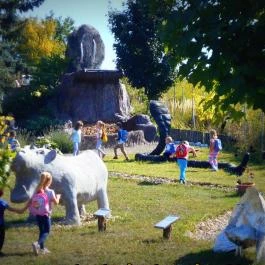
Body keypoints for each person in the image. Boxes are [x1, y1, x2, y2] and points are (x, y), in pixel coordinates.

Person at [23, 172, 61, 256]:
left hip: (38, 214)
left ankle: (42, 248)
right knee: (47, 231)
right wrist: (58, 197)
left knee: (41, 231)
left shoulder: (37, 191)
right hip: (46, 215)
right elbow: (56, 202)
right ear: (49, 181)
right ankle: (37, 243)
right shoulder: (50, 191)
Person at [0, 189, 25, 256]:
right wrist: (21, 210)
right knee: (1, 237)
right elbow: (12, 209)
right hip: (0, 224)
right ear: (1, 194)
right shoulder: (2, 203)